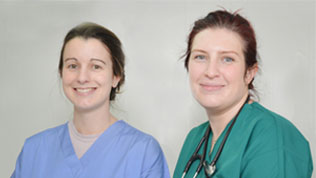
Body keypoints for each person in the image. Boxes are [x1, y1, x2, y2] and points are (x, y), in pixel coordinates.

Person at [11, 22, 170, 178]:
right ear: (61, 72)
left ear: (116, 76)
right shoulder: (34, 151)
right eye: (73, 66)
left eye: (96, 66)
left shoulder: (144, 153)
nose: (82, 78)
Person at [173, 10, 313, 178]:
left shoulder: (271, 136)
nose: (210, 72)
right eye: (200, 57)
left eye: (227, 59)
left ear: (249, 73)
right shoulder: (194, 139)